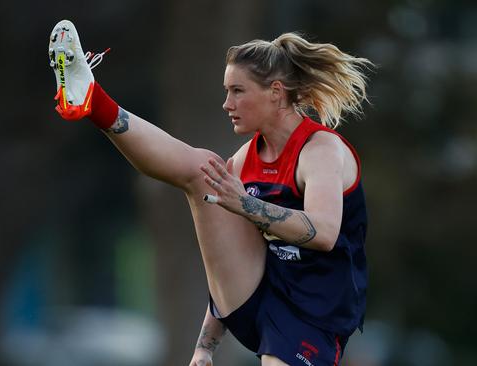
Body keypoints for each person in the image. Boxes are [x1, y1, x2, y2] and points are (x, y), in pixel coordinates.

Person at [48, 19, 371, 366]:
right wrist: (205, 347)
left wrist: (245, 204)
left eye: (238, 91)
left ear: (276, 92)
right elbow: (225, 258)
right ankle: (92, 100)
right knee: (204, 172)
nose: (226, 103)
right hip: (256, 299)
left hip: (313, 317)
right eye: (226, 91)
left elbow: (323, 233)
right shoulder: (245, 160)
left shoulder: (320, 149)